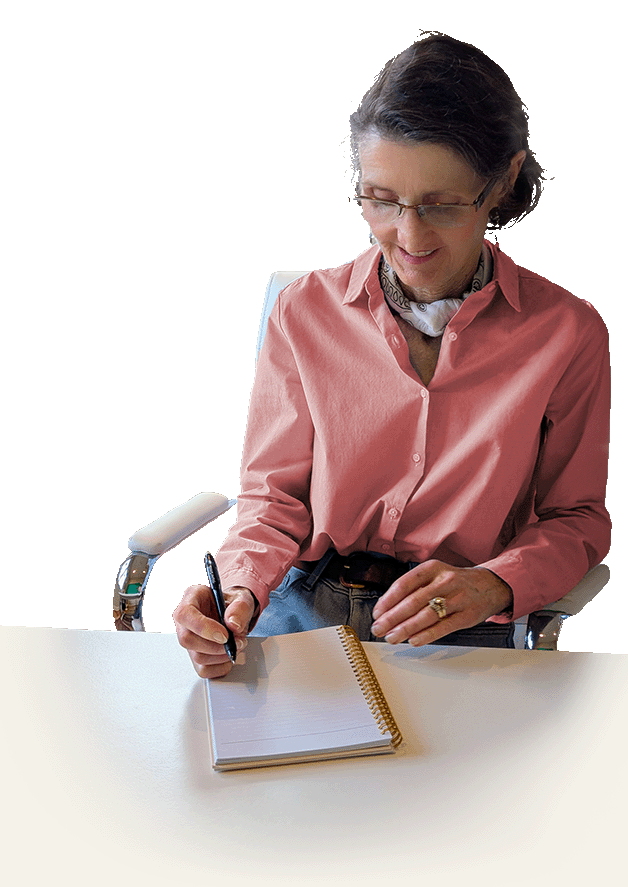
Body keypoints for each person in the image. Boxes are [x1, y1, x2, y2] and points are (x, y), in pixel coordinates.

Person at [173, 32, 610, 678]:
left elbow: (577, 519)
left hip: (460, 620)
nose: (408, 235)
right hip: (301, 606)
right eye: (380, 199)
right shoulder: (304, 312)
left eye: (441, 205)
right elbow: (272, 500)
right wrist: (237, 590)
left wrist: (495, 584)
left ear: (501, 181)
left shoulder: (567, 333)